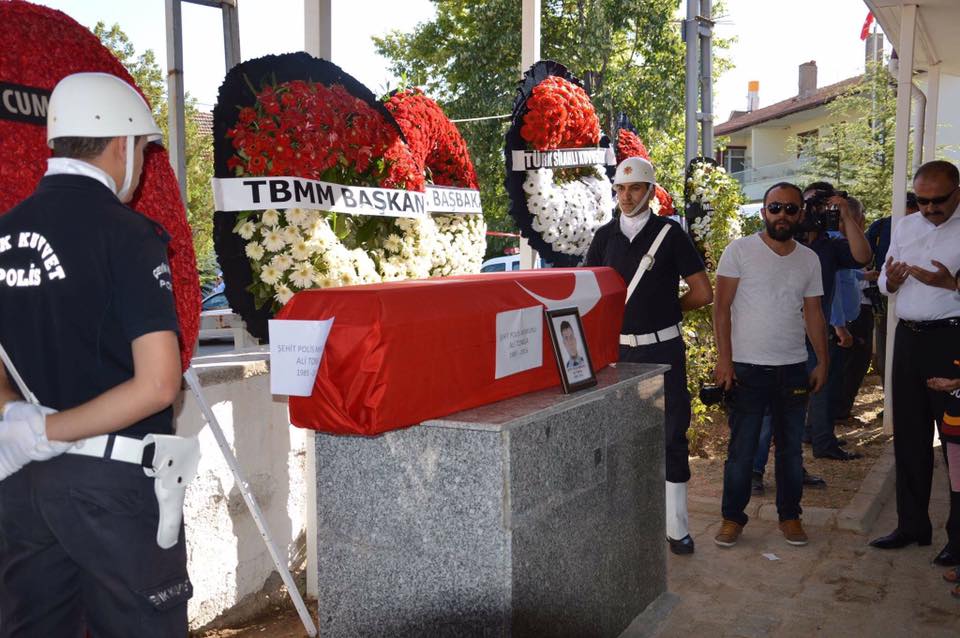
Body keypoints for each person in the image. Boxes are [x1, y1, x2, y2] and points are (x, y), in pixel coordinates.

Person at [0, 73, 190, 636]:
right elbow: (158, 384)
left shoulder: (4, 232)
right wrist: (51, 429)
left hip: (22, 484)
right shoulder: (127, 235)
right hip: (111, 488)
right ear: (121, 144)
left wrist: (17, 418)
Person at [585, 156, 713, 555]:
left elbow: (703, 292)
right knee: (617, 436)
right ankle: (623, 521)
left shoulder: (670, 235)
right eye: (620, 189)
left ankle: (676, 528)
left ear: (651, 191)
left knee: (671, 435)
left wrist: (668, 312)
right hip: (618, 352)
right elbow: (590, 290)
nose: (626, 196)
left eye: (635, 188)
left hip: (663, 349)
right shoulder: (604, 237)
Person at [712, 182, 828, 548]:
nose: (782, 215)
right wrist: (725, 360)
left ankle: (790, 517)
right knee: (742, 451)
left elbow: (813, 313)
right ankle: (732, 518)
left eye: (791, 209)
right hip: (746, 369)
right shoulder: (739, 251)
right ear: (763, 212)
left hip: (793, 368)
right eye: (775, 208)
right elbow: (721, 308)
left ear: (801, 214)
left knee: (791, 451)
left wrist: (822, 360)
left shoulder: (809, 260)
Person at [870, 160, 960, 569]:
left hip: (951, 338)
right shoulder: (905, 226)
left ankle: (957, 539)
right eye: (922, 201)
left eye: (937, 201)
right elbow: (884, 285)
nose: (928, 209)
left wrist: (952, 284)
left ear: (957, 191)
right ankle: (911, 525)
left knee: (955, 445)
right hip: (907, 336)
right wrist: (892, 279)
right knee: (909, 436)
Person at [799, 182, 872, 461]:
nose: (812, 212)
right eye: (806, 205)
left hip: (817, 330)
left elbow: (863, 256)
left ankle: (822, 441)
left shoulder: (829, 243)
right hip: (782, 333)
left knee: (821, 389)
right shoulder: (784, 239)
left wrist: (845, 215)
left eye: (820, 205)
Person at [865, 192, 919, 383]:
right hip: (885, 298)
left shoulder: (930, 227)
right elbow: (863, 256)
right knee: (885, 350)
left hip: (922, 302)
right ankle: (890, 402)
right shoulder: (880, 227)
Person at [834, 198, 875, 420]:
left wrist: (865, 275)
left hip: (853, 312)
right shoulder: (836, 243)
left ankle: (838, 413)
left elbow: (849, 272)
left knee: (854, 364)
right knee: (847, 367)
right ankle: (836, 414)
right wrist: (839, 325)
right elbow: (835, 288)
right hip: (843, 319)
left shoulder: (849, 242)